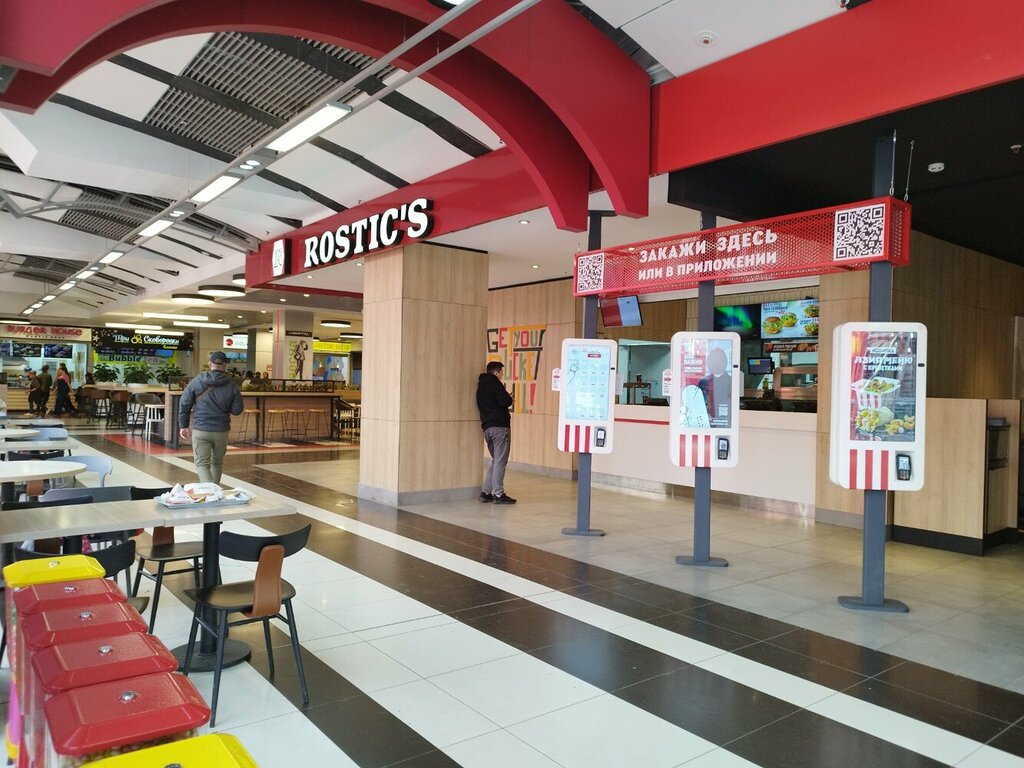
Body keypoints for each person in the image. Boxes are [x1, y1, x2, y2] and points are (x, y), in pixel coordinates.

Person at [178, 350, 244, 484]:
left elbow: (184, 404)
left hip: (201, 430)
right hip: (221, 431)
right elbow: (237, 410)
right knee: (217, 462)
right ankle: (214, 490)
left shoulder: (196, 381)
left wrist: (183, 426)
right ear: (225, 365)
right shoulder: (232, 385)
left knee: (202, 464)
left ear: (209, 364)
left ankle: (211, 492)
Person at [476, 361, 516, 504]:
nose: (501, 375)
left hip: (487, 428)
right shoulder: (495, 383)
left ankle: (485, 492)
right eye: (501, 373)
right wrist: (510, 398)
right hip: (499, 427)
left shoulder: (481, 387)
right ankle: (499, 494)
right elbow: (505, 401)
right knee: (500, 461)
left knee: (495, 460)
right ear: (496, 372)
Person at [696, 345, 733, 428]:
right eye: (712, 361)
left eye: (718, 360)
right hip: (706, 423)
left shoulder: (731, 382)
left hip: (727, 423)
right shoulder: (703, 382)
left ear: (725, 362)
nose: (715, 363)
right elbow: (697, 405)